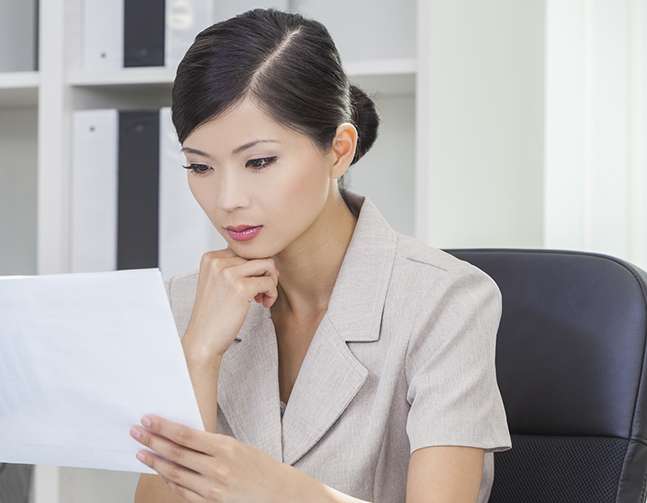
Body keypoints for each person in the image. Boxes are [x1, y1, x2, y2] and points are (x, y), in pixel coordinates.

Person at [129, 9, 510, 503]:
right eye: (200, 167)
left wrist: (278, 491)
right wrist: (198, 355)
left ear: (339, 150)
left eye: (259, 161)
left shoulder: (445, 300)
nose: (227, 200)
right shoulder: (186, 302)